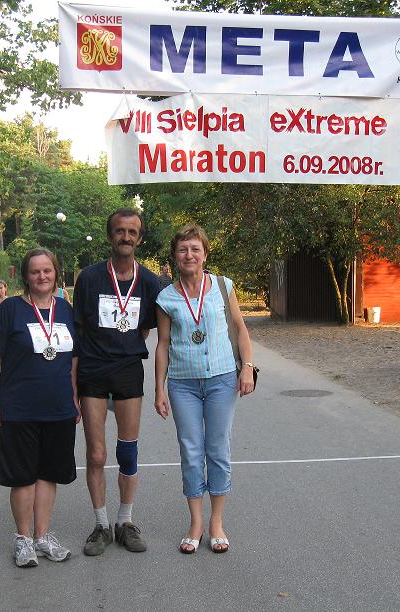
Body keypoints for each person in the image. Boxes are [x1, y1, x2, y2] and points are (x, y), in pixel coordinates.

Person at [153, 224, 256, 554]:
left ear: (205, 254)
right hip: (182, 384)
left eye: (195, 249)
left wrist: (248, 367)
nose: (189, 255)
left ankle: (216, 522)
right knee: (191, 450)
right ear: (175, 256)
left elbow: (239, 327)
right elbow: (163, 344)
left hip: (222, 380)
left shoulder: (223, 287)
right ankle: (196, 522)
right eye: (183, 249)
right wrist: (159, 389)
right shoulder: (166, 297)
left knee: (218, 449)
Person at [0, 248, 80, 568]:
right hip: (19, 407)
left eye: (47, 270)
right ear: (26, 275)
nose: (42, 276)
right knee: (23, 476)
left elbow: (73, 360)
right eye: (36, 271)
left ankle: (43, 536)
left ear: (56, 273)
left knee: (49, 474)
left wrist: (74, 398)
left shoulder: (65, 310)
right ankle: (23, 539)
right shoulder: (10, 310)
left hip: (58, 407)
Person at [73, 207, 160, 556]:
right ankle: (100, 525)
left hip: (127, 370)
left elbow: (146, 328)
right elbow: (79, 329)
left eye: (132, 232)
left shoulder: (149, 281)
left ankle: (125, 522)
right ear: (110, 236)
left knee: (127, 452)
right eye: (120, 231)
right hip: (93, 369)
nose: (126, 237)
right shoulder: (90, 278)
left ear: (139, 238)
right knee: (96, 453)